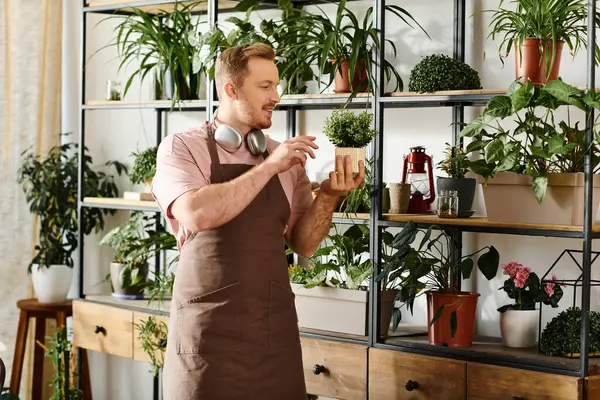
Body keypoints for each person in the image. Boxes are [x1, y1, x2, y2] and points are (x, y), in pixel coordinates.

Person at [151, 42, 365, 400]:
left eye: (277, 85)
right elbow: (197, 212)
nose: (276, 96)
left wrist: (329, 197)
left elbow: (304, 243)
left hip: (272, 335)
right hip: (207, 334)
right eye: (265, 86)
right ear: (231, 89)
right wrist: (268, 167)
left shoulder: (284, 158)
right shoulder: (182, 148)